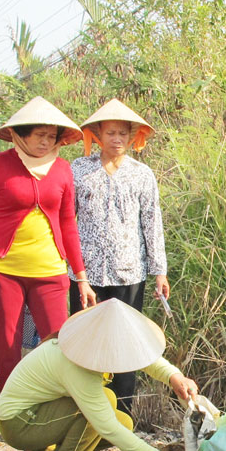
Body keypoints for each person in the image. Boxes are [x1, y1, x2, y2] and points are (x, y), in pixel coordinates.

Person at [0, 97, 97, 389]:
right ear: (20, 135)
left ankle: (51, 409)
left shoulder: (62, 169)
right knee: (7, 345)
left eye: (51, 137)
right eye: (39, 136)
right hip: (2, 271)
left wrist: (82, 278)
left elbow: (67, 224)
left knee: (57, 344)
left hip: (50, 272)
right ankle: (11, 410)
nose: (45, 143)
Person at [0, 299, 197, 451]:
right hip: (20, 423)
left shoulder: (85, 345)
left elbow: (143, 356)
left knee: (122, 419)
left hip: (41, 415)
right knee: (97, 412)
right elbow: (106, 426)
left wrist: (174, 377)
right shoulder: (76, 367)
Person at [70, 99, 169, 416]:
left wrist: (160, 271)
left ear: (132, 137)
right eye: (110, 132)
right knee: (85, 343)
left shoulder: (142, 175)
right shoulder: (79, 170)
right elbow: (66, 219)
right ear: (97, 134)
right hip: (85, 276)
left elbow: (152, 223)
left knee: (126, 344)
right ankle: (86, 415)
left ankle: (121, 416)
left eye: (122, 133)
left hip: (129, 273)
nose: (116, 139)